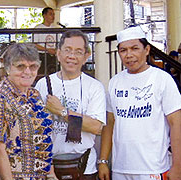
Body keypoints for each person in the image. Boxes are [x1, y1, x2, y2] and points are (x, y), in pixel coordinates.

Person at [98, 26, 181, 180]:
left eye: (135, 48)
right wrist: (103, 160)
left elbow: (176, 123)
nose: (129, 55)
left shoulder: (162, 79)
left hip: (153, 168)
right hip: (120, 168)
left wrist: (178, 166)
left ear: (147, 49)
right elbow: (110, 123)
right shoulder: (114, 82)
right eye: (123, 50)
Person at [35, 30, 106, 179]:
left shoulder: (94, 87)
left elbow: (96, 127)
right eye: (67, 50)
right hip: (49, 167)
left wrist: (61, 111)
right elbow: (35, 128)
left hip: (84, 167)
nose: (72, 56)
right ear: (58, 53)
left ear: (86, 56)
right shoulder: (43, 84)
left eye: (78, 51)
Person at [0, 43, 54, 180]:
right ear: (8, 68)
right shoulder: (0, 97)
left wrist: (50, 174)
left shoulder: (34, 95)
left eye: (33, 66)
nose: (27, 72)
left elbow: (45, 138)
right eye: (20, 66)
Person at [34, 7, 58, 76]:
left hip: (53, 56)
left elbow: (59, 43)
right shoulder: (38, 28)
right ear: (44, 15)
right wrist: (47, 50)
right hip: (42, 56)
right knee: (42, 75)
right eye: (51, 14)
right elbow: (34, 45)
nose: (53, 16)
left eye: (54, 14)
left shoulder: (55, 29)